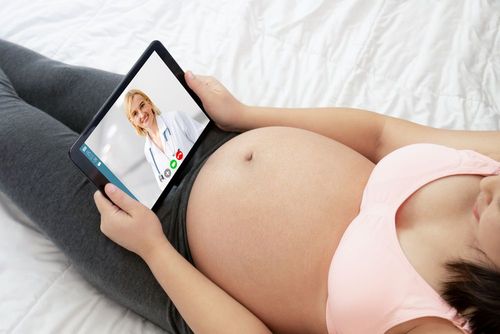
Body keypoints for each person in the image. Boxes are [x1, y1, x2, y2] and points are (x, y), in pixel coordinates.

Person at [0, 39, 499, 334]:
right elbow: (381, 134)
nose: (492, 184)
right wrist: (242, 115)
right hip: (202, 135)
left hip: (165, 249)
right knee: (48, 78)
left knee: (7, 126)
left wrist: (153, 250)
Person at [124, 89, 205, 188]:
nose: (141, 114)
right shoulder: (148, 150)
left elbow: (207, 140)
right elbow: (163, 184)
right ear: (132, 121)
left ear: (149, 103)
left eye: (142, 105)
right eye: (135, 113)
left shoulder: (175, 118)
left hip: (204, 176)